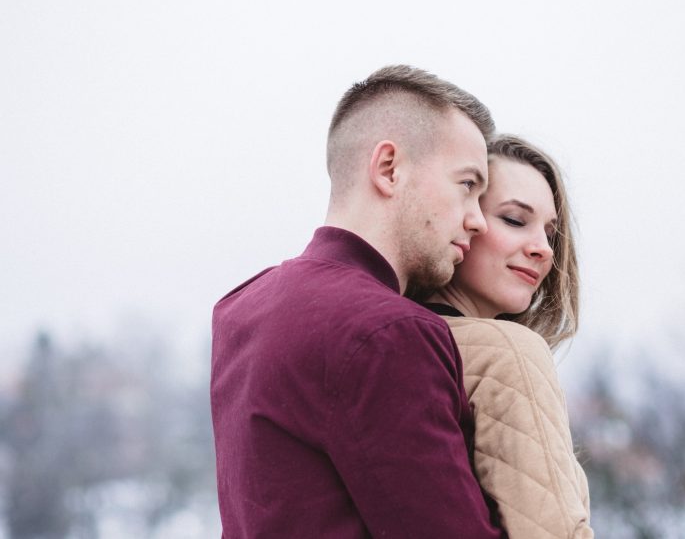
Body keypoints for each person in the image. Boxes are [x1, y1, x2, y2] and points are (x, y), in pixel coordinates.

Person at [211, 65, 505, 538]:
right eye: (467, 185)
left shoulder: (241, 306)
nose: (478, 221)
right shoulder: (388, 332)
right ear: (389, 169)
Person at [424, 134, 594, 538]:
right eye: (515, 220)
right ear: (463, 221)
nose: (544, 250)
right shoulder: (509, 353)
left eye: (551, 233)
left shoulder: (386, 337)